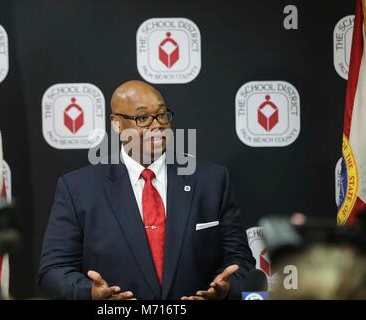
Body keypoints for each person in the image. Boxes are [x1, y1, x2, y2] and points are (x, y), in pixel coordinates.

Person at [38, 80, 255, 300]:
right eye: (142, 118)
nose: (157, 125)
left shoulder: (211, 180)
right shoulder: (78, 188)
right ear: (117, 124)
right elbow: (54, 270)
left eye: (162, 115)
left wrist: (224, 290)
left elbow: (241, 262)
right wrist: (91, 294)